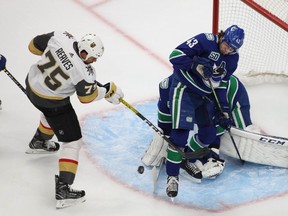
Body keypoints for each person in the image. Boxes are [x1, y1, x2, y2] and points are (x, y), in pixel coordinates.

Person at [25, 31, 124, 208]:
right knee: (72, 142)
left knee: (52, 112)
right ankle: (64, 190)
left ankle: (40, 140)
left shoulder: (61, 37)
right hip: (50, 101)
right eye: (93, 57)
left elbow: (32, 46)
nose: (94, 61)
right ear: (84, 52)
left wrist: (57, 59)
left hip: (32, 85)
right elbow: (86, 97)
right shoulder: (85, 73)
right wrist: (106, 91)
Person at [164, 25, 245, 198]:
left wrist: (223, 109)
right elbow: (175, 56)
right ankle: (172, 176)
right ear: (222, 36)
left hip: (204, 96)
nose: (227, 49)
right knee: (179, 134)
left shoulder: (232, 59)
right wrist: (195, 65)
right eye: (226, 44)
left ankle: (185, 158)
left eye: (232, 48)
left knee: (208, 135)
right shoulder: (204, 40)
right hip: (184, 90)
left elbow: (222, 84)